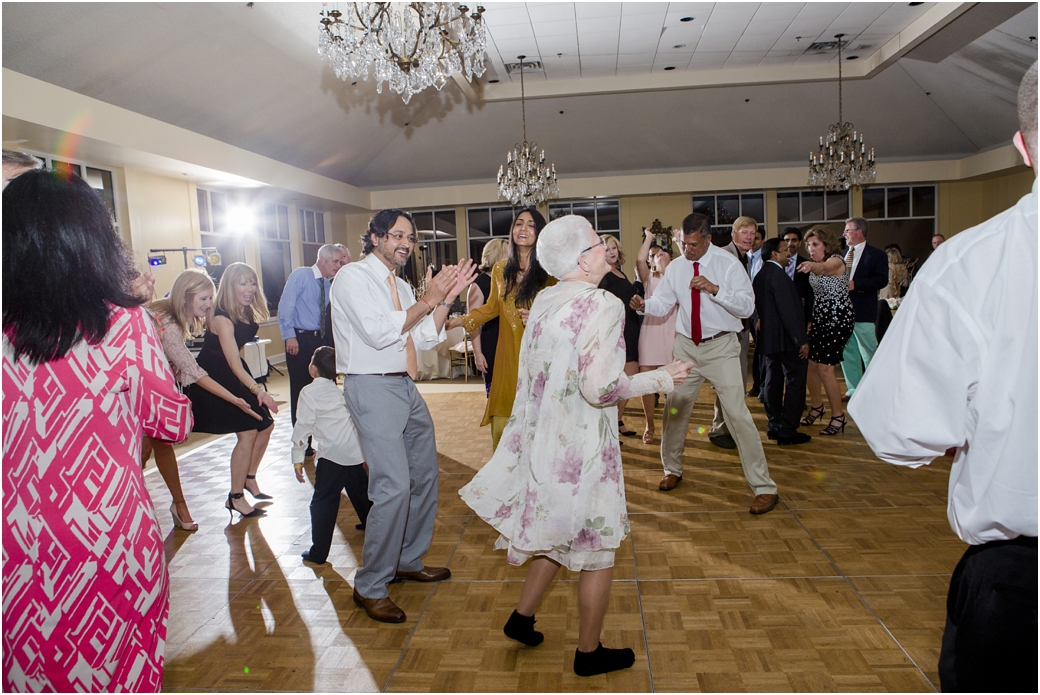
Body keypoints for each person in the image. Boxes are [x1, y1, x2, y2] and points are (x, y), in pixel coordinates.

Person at [851, 61, 1038, 694]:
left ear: (1021, 146)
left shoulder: (972, 264)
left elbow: (900, 432)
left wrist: (973, 424)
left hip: (1021, 584)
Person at [459, 215, 693, 677]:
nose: (605, 246)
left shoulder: (546, 298)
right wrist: (662, 378)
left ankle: (522, 618)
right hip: (582, 449)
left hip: (546, 443)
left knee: (557, 533)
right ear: (583, 260)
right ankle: (588, 653)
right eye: (596, 242)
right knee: (596, 547)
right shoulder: (602, 304)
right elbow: (600, 388)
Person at [2, 170, 193, 691]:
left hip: (13, 541)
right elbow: (171, 421)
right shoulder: (123, 325)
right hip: (106, 535)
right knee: (117, 672)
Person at [331, 208, 476, 623]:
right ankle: (371, 584)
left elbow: (425, 337)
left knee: (425, 476)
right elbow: (380, 333)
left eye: (410, 238)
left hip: (404, 386)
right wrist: (429, 298)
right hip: (370, 385)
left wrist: (445, 299)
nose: (406, 244)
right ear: (375, 237)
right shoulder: (352, 278)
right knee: (393, 487)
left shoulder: (400, 284)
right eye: (397, 235)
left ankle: (408, 559)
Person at [632, 213, 780, 514]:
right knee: (674, 409)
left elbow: (747, 307)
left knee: (737, 415)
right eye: (684, 244)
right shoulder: (677, 267)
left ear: (708, 239)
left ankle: (764, 487)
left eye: (693, 245)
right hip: (687, 347)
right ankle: (672, 469)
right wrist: (644, 305)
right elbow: (664, 303)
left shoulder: (728, 265)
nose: (687, 250)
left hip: (721, 347)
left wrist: (716, 290)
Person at [145, 268, 263, 531]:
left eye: (211, 298)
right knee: (144, 451)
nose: (209, 304)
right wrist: (235, 399)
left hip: (152, 387)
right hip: (140, 389)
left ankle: (178, 505)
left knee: (158, 446)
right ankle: (154, 507)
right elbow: (194, 372)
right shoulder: (168, 324)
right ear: (185, 296)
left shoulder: (173, 317)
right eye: (203, 299)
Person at [448, 208, 555, 451]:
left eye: (531, 225)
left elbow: (565, 311)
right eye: (519, 223)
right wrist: (456, 322)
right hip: (507, 358)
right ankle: (505, 472)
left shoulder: (550, 272)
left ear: (540, 233)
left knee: (538, 428)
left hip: (539, 356)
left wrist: (539, 316)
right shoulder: (500, 270)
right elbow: (490, 309)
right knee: (503, 428)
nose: (523, 228)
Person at [190, 262, 279, 517]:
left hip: (234, 371)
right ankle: (236, 497)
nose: (250, 288)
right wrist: (256, 389)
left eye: (252, 283)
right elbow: (231, 362)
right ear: (230, 286)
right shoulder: (222, 317)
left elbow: (239, 356)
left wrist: (251, 383)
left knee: (265, 425)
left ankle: (249, 478)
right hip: (215, 375)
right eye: (243, 283)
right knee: (248, 431)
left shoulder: (244, 312)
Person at [292, 346, 371, 565]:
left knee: (323, 503)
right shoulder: (342, 391)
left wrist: (298, 460)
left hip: (332, 456)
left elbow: (303, 428)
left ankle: (319, 553)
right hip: (354, 452)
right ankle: (371, 525)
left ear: (313, 368)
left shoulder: (308, 393)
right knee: (361, 492)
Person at [278, 244, 347, 436]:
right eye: (335, 261)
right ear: (322, 260)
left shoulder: (327, 284)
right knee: (301, 389)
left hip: (320, 340)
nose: (338, 265)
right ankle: (302, 441)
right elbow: (285, 307)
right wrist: (289, 336)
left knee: (326, 386)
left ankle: (326, 435)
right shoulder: (302, 275)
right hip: (300, 339)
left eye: (340, 262)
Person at [796, 225, 854, 436]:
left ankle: (838, 416)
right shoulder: (815, 264)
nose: (811, 248)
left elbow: (825, 269)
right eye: (808, 245)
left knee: (825, 368)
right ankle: (817, 407)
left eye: (815, 244)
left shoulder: (836, 261)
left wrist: (811, 265)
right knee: (810, 365)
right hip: (820, 319)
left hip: (838, 319)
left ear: (827, 244)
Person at [753, 238, 810, 445]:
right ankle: (788, 429)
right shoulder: (779, 276)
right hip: (787, 339)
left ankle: (774, 424)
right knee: (795, 381)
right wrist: (800, 339)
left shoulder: (760, 275)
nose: (789, 253)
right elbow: (788, 312)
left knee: (772, 380)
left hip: (769, 338)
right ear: (774, 254)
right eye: (785, 250)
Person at [709, 216, 757, 449]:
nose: (749, 237)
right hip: (726, 330)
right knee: (729, 383)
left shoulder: (747, 258)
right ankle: (720, 428)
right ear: (733, 234)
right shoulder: (724, 256)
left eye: (753, 233)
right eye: (744, 232)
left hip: (740, 328)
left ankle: (727, 427)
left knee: (736, 383)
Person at [633, 230, 677, 443]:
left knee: (674, 383)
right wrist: (649, 237)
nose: (658, 256)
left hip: (672, 330)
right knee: (646, 381)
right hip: (650, 330)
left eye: (662, 254)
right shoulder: (648, 277)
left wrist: (678, 241)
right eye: (654, 255)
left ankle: (672, 427)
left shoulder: (677, 278)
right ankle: (649, 425)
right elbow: (640, 259)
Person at [597, 234, 642, 438]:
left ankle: (617, 419)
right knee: (619, 379)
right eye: (606, 249)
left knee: (629, 379)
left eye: (614, 247)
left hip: (631, 328)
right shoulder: (603, 276)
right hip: (617, 331)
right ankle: (610, 424)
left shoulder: (620, 272)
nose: (611, 252)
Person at [840, 216, 888, 401]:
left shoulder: (876, 255)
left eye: (847, 230)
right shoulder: (842, 254)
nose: (844, 234)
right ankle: (854, 389)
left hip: (864, 311)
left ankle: (876, 390)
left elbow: (882, 280)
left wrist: (856, 284)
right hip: (843, 311)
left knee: (869, 352)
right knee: (847, 352)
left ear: (859, 231)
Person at [468, 238, 509, 397]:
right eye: (508, 253)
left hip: (510, 343)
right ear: (497, 254)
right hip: (491, 345)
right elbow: (473, 323)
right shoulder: (479, 283)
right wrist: (478, 353)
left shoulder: (508, 281)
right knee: (495, 395)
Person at [782, 227, 815, 325]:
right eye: (787, 240)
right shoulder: (775, 265)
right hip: (780, 314)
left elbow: (810, 293)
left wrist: (810, 319)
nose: (790, 243)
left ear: (800, 243)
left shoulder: (808, 264)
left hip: (801, 314)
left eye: (794, 240)